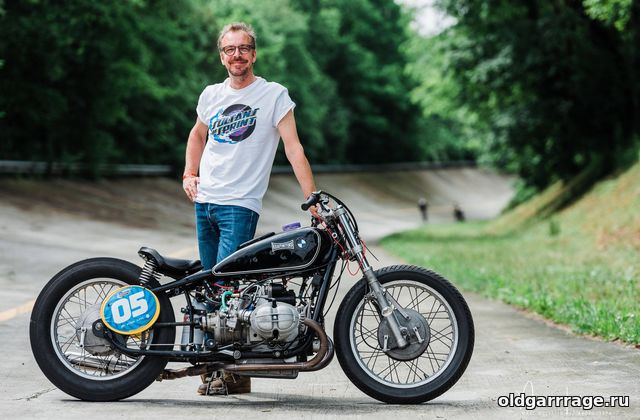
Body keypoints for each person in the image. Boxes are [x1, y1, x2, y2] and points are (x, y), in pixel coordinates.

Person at [182, 22, 317, 396]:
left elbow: (293, 147)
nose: (236, 55)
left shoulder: (273, 95)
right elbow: (197, 134)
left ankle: (235, 373)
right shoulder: (211, 94)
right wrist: (189, 173)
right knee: (210, 288)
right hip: (205, 202)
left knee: (229, 288)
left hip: (240, 204)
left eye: (243, 48)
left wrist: (312, 198)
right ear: (222, 56)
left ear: (253, 54)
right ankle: (217, 369)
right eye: (229, 49)